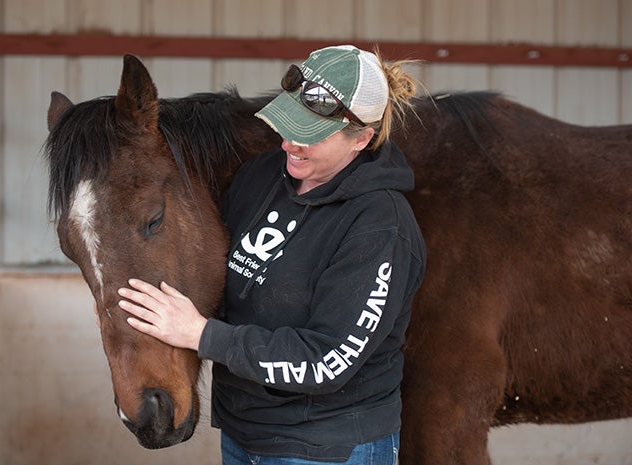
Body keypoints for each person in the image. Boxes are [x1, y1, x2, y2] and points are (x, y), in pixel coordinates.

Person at [118, 45, 426, 465]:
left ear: (362, 138)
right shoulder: (260, 177)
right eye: (288, 124)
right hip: (245, 435)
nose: (291, 142)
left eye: (312, 134)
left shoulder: (379, 226)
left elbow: (327, 361)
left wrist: (202, 335)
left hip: (326, 448)